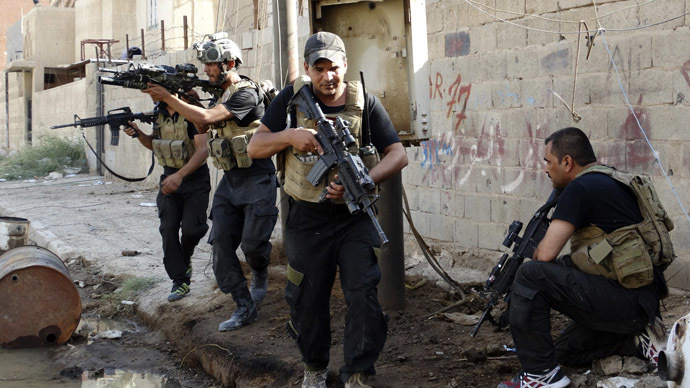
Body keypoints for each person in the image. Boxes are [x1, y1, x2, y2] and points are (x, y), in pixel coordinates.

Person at [247, 31, 408, 388]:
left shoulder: (364, 101)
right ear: (307, 69)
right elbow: (255, 148)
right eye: (318, 69)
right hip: (307, 218)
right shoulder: (291, 100)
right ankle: (315, 369)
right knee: (306, 300)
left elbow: (398, 154)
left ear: (345, 65)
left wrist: (366, 178)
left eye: (332, 67)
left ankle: (358, 374)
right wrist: (290, 137)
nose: (327, 76)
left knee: (364, 294)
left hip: (355, 217)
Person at [498, 127, 671, 388]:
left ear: (567, 162)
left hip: (625, 301)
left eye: (548, 161)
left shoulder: (579, 189)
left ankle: (541, 377)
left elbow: (544, 255)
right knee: (563, 352)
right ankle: (638, 339)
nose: (545, 169)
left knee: (530, 274)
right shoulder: (612, 178)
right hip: (641, 303)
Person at [140, 32, 278, 332]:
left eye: (211, 66)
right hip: (230, 183)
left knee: (253, 245)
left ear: (228, 64)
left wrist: (168, 97)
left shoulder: (246, 94)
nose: (206, 71)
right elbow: (200, 122)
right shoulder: (218, 94)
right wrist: (174, 98)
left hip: (257, 179)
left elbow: (206, 117)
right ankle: (243, 306)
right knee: (220, 244)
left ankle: (260, 270)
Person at [124, 88, 210, 302]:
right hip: (170, 178)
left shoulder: (192, 112)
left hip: (194, 179)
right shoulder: (159, 113)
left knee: (192, 230)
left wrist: (181, 175)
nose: (152, 93)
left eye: (155, 89)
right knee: (168, 229)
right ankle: (180, 280)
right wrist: (138, 134)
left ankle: (185, 257)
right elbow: (155, 144)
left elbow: (203, 150)